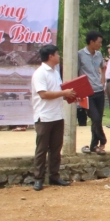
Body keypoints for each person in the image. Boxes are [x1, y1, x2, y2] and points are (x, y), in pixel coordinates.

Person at [30, 44, 77, 191]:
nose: (59, 56)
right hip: (44, 116)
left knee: (56, 149)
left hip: (57, 115)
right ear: (50, 56)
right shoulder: (40, 73)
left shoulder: (56, 71)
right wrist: (64, 93)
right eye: (57, 54)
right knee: (42, 149)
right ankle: (38, 179)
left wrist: (68, 95)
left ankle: (54, 176)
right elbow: (43, 94)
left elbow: (56, 92)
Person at [78, 31, 108, 154]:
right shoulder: (79, 54)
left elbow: (103, 67)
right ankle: (103, 138)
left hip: (99, 91)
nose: (101, 45)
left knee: (98, 119)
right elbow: (75, 72)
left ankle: (93, 145)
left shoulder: (99, 54)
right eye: (99, 42)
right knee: (95, 118)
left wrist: (103, 80)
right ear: (91, 42)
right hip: (87, 92)